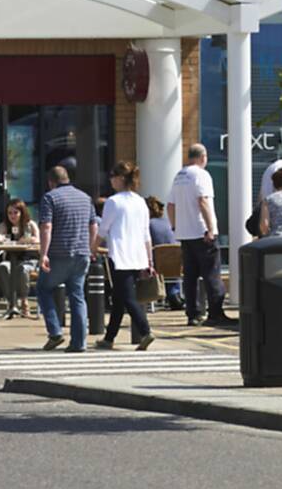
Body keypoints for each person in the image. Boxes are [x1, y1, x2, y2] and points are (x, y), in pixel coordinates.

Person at [36, 165, 100, 352]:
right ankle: (79, 342)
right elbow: (93, 226)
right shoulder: (85, 197)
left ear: (51, 182)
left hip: (59, 254)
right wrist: (90, 248)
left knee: (43, 288)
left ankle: (55, 332)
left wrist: (43, 254)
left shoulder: (50, 197)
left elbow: (46, 227)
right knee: (77, 296)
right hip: (81, 254)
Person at [168, 143, 230, 326]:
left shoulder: (179, 176)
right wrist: (211, 228)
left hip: (185, 234)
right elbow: (203, 201)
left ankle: (193, 314)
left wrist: (175, 227)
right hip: (202, 232)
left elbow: (170, 205)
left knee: (190, 276)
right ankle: (215, 313)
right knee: (212, 274)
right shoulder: (201, 175)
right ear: (203, 157)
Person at [98, 163, 155, 351]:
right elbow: (146, 234)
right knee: (120, 298)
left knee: (128, 298)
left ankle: (145, 331)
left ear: (121, 178)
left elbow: (103, 230)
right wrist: (149, 260)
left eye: (113, 175)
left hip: (120, 255)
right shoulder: (140, 202)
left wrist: (92, 248)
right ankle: (109, 338)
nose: (110, 179)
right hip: (137, 255)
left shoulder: (113, 202)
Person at [0, 198, 40, 315]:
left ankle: (24, 300)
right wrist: (2, 239)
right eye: (10, 213)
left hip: (29, 259)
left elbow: (38, 240)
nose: (12, 216)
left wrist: (29, 239)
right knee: (2, 267)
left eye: (15, 212)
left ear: (22, 212)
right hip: (10, 259)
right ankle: (12, 302)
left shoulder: (30, 225)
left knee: (22, 269)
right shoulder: (4, 225)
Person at [145, 196, 182, 313]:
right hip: (176, 265)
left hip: (158, 266)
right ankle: (174, 295)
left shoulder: (148, 225)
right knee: (170, 267)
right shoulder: (169, 222)